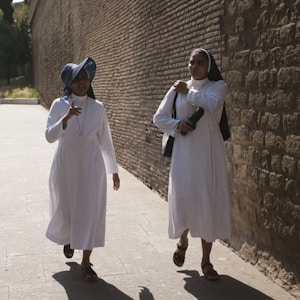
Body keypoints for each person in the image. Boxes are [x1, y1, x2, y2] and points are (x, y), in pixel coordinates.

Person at [153, 48, 231, 281]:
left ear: (208, 66)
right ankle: (183, 240)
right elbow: (159, 118)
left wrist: (189, 92)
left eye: (199, 62)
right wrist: (177, 125)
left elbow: (212, 104)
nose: (194, 66)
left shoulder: (218, 86)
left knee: (208, 200)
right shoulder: (177, 89)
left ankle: (206, 261)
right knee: (186, 199)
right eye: (191, 62)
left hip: (209, 154)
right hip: (185, 154)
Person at [45, 57, 120, 282]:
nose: (82, 82)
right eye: (77, 79)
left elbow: (105, 139)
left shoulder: (98, 107)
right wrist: (65, 119)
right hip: (65, 165)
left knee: (90, 210)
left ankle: (86, 262)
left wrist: (113, 170)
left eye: (85, 78)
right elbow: (49, 136)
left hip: (91, 166)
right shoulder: (59, 105)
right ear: (69, 82)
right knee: (67, 208)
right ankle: (69, 238)